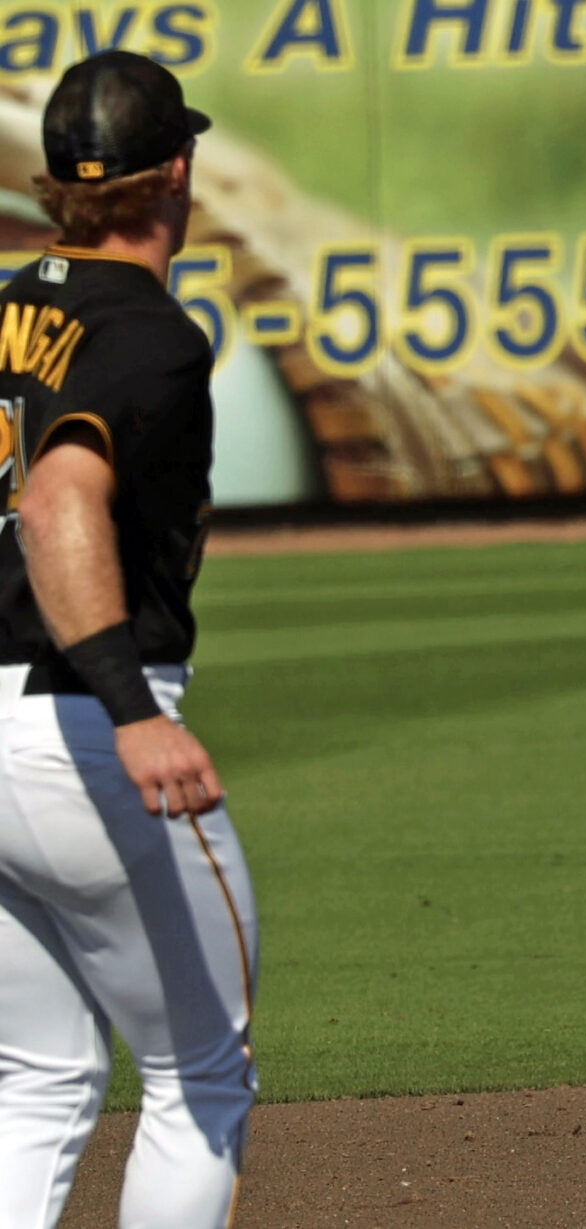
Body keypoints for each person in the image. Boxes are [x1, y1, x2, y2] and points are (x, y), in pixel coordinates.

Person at [0, 52, 256, 1226]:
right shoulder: (148, 333)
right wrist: (132, 710)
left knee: (37, 1079)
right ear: (176, 174)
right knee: (198, 1077)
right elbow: (58, 501)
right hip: (83, 730)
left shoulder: (7, 305)